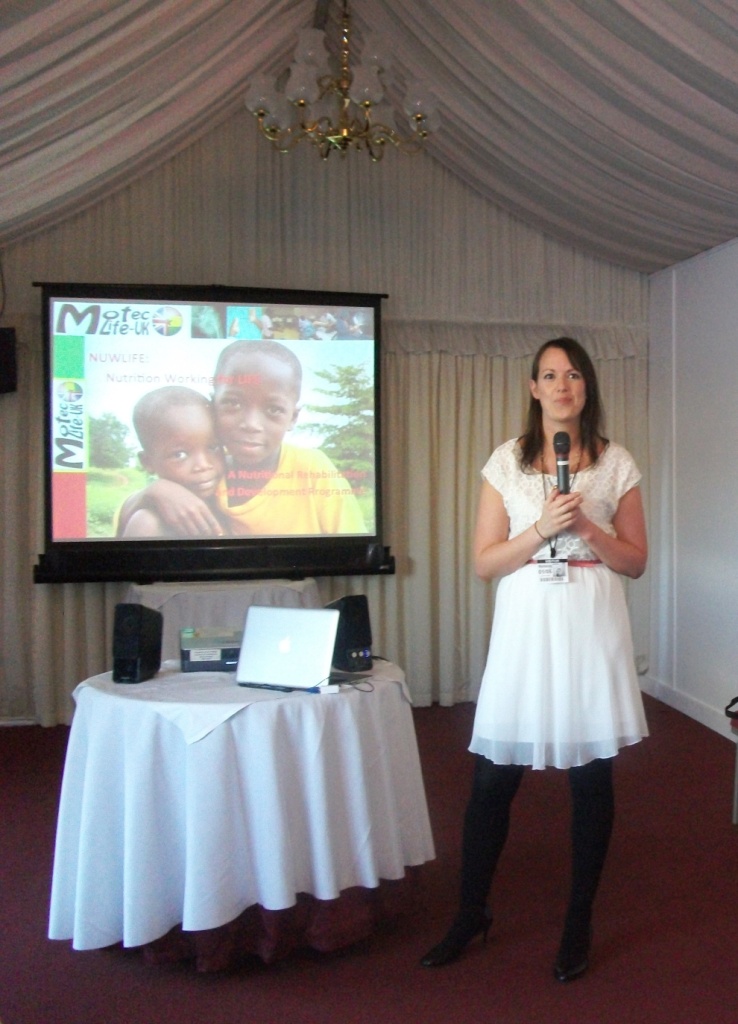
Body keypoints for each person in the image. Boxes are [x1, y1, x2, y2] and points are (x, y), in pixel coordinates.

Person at [420, 337, 648, 982]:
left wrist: (586, 530)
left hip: (590, 618)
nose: (561, 385)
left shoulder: (617, 462)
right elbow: (485, 562)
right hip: (526, 622)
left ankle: (579, 919)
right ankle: (470, 913)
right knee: (493, 779)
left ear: (587, 386)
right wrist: (542, 528)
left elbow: (635, 562)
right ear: (532, 388)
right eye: (549, 375)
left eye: (572, 374)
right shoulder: (506, 462)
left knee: (590, 779)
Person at [119, 341, 367, 537]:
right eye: (233, 403)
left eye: (273, 410)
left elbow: (354, 546)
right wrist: (155, 491)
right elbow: (133, 523)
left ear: (293, 417)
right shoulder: (210, 471)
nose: (251, 424)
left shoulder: (311, 467)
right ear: (214, 404)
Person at [117, 386, 229, 537]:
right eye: (179, 454)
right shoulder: (148, 523)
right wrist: (154, 490)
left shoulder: (232, 491)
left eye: (213, 447)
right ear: (147, 462)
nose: (203, 465)